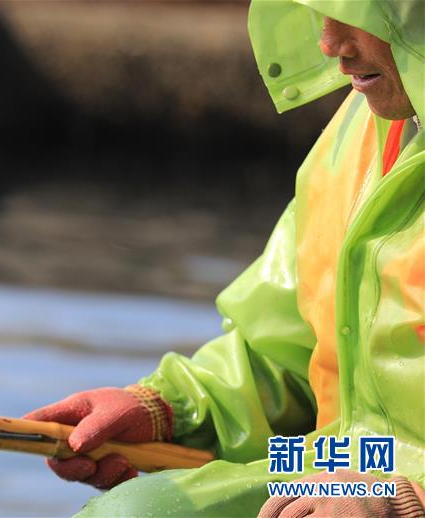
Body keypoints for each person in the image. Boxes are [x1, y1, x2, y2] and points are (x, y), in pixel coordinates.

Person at [25, 0, 424, 516]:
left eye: (366, 14)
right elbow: (285, 350)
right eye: (317, 10)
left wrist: (407, 502)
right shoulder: (357, 133)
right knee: (137, 512)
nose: (328, 44)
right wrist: (169, 409)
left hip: (381, 486)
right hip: (345, 463)